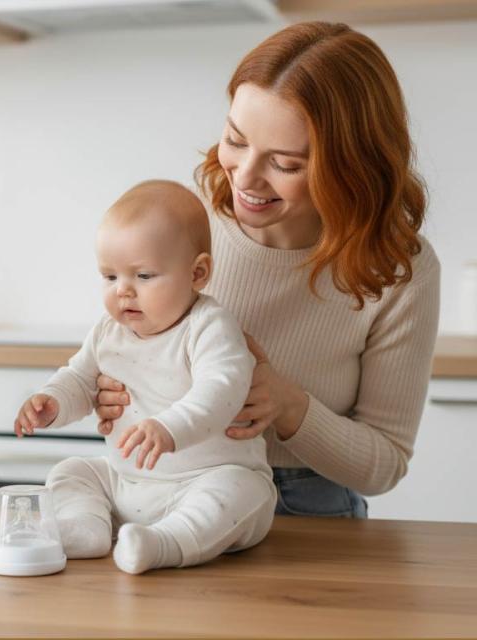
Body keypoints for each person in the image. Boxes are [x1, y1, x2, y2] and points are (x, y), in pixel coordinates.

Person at [95, 22, 440, 519]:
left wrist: (289, 406)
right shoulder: (185, 228)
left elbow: (383, 466)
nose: (246, 177)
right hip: (171, 488)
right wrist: (113, 388)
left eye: (286, 164)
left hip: (309, 508)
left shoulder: (399, 270)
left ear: (352, 167)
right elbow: (123, 335)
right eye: (235, 140)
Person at [14, 180, 277, 574]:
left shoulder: (208, 326)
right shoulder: (108, 331)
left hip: (204, 480)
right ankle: (86, 527)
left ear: (197, 273)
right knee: (71, 471)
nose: (123, 291)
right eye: (110, 277)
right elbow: (80, 379)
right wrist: (52, 401)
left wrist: (169, 427)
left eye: (144, 276)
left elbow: (222, 388)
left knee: (244, 491)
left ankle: (165, 543)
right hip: (127, 483)